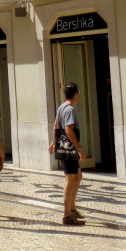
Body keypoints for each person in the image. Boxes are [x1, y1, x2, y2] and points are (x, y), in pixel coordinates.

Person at [49, 82, 87, 226]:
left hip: (64, 147)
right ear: (76, 94)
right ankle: (67, 215)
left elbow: (55, 125)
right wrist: (80, 149)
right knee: (70, 180)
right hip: (69, 149)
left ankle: (72, 209)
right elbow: (68, 130)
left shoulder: (61, 107)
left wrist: (54, 142)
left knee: (77, 176)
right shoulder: (70, 109)